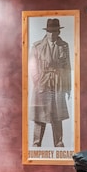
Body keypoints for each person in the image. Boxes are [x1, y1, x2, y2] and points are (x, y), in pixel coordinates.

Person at [29, 18, 71, 147]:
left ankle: (58, 142)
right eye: (49, 32)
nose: (52, 35)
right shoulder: (37, 46)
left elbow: (67, 67)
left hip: (58, 83)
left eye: (54, 32)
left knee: (57, 115)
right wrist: (38, 80)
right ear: (46, 32)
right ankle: (36, 143)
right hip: (42, 84)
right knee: (39, 115)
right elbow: (32, 66)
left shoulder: (64, 46)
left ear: (59, 32)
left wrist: (67, 87)